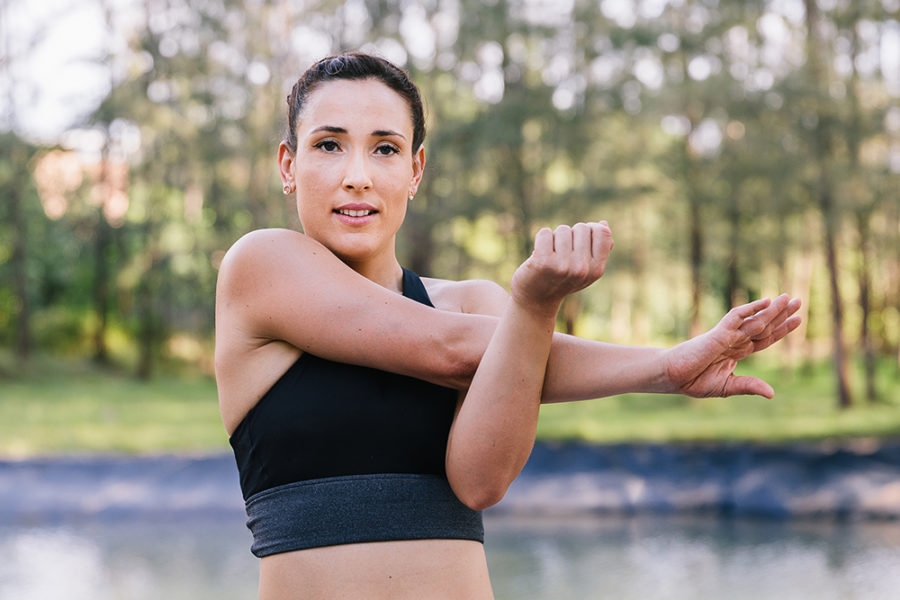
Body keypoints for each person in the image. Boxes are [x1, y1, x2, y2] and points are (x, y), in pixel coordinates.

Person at [214, 52, 801, 599]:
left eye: (386, 149)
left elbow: (481, 484)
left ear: (416, 171)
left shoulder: (478, 305)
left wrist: (543, 312)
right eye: (329, 145)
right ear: (289, 165)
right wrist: (658, 362)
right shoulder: (261, 266)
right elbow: (452, 352)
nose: (358, 175)